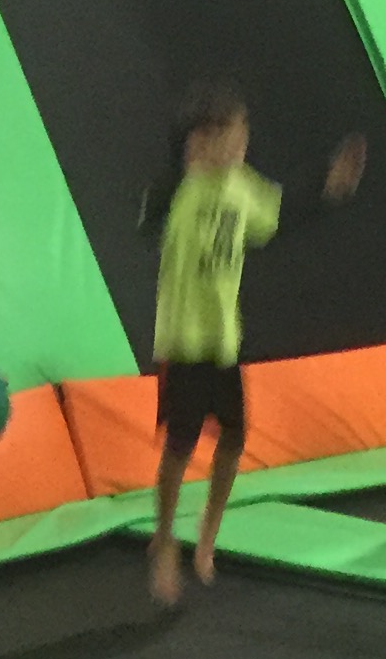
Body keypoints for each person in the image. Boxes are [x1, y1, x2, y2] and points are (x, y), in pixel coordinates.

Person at [142, 85, 365, 607]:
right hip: (183, 341)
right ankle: (164, 539)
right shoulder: (180, 190)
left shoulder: (243, 186)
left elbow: (282, 213)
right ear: (199, 142)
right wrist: (186, 163)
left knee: (234, 438)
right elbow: (149, 215)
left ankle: (207, 536)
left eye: (243, 135)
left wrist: (328, 189)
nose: (240, 145)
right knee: (179, 446)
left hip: (224, 339)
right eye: (228, 136)